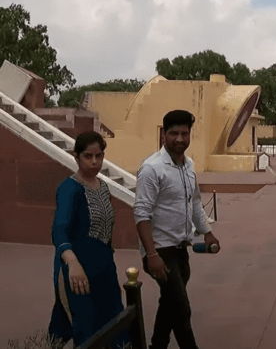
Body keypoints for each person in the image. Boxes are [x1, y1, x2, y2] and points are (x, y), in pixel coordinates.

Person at [135, 110, 219, 349]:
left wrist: (207, 231)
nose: (180, 139)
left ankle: (157, 346)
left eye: (184, 133)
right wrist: (151, 255)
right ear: (164, 135)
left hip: (181, 250)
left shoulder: (188, 165)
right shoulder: (152, 169)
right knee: (182, 311)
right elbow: (141, 213)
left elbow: (194, 201)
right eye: (174, 133)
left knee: (170, 306)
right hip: (160, 251)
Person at [48, 131, 130, 348]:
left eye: (99, 156)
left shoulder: (103, 186)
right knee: (85, 328)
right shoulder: (69, 188)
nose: (94, 162)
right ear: (76, 157)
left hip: (103, 268)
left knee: (114, 324)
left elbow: (105, 235)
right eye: (88, 156)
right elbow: (59, 231)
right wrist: (72, 263)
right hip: (77, 272)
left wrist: (110, 272)